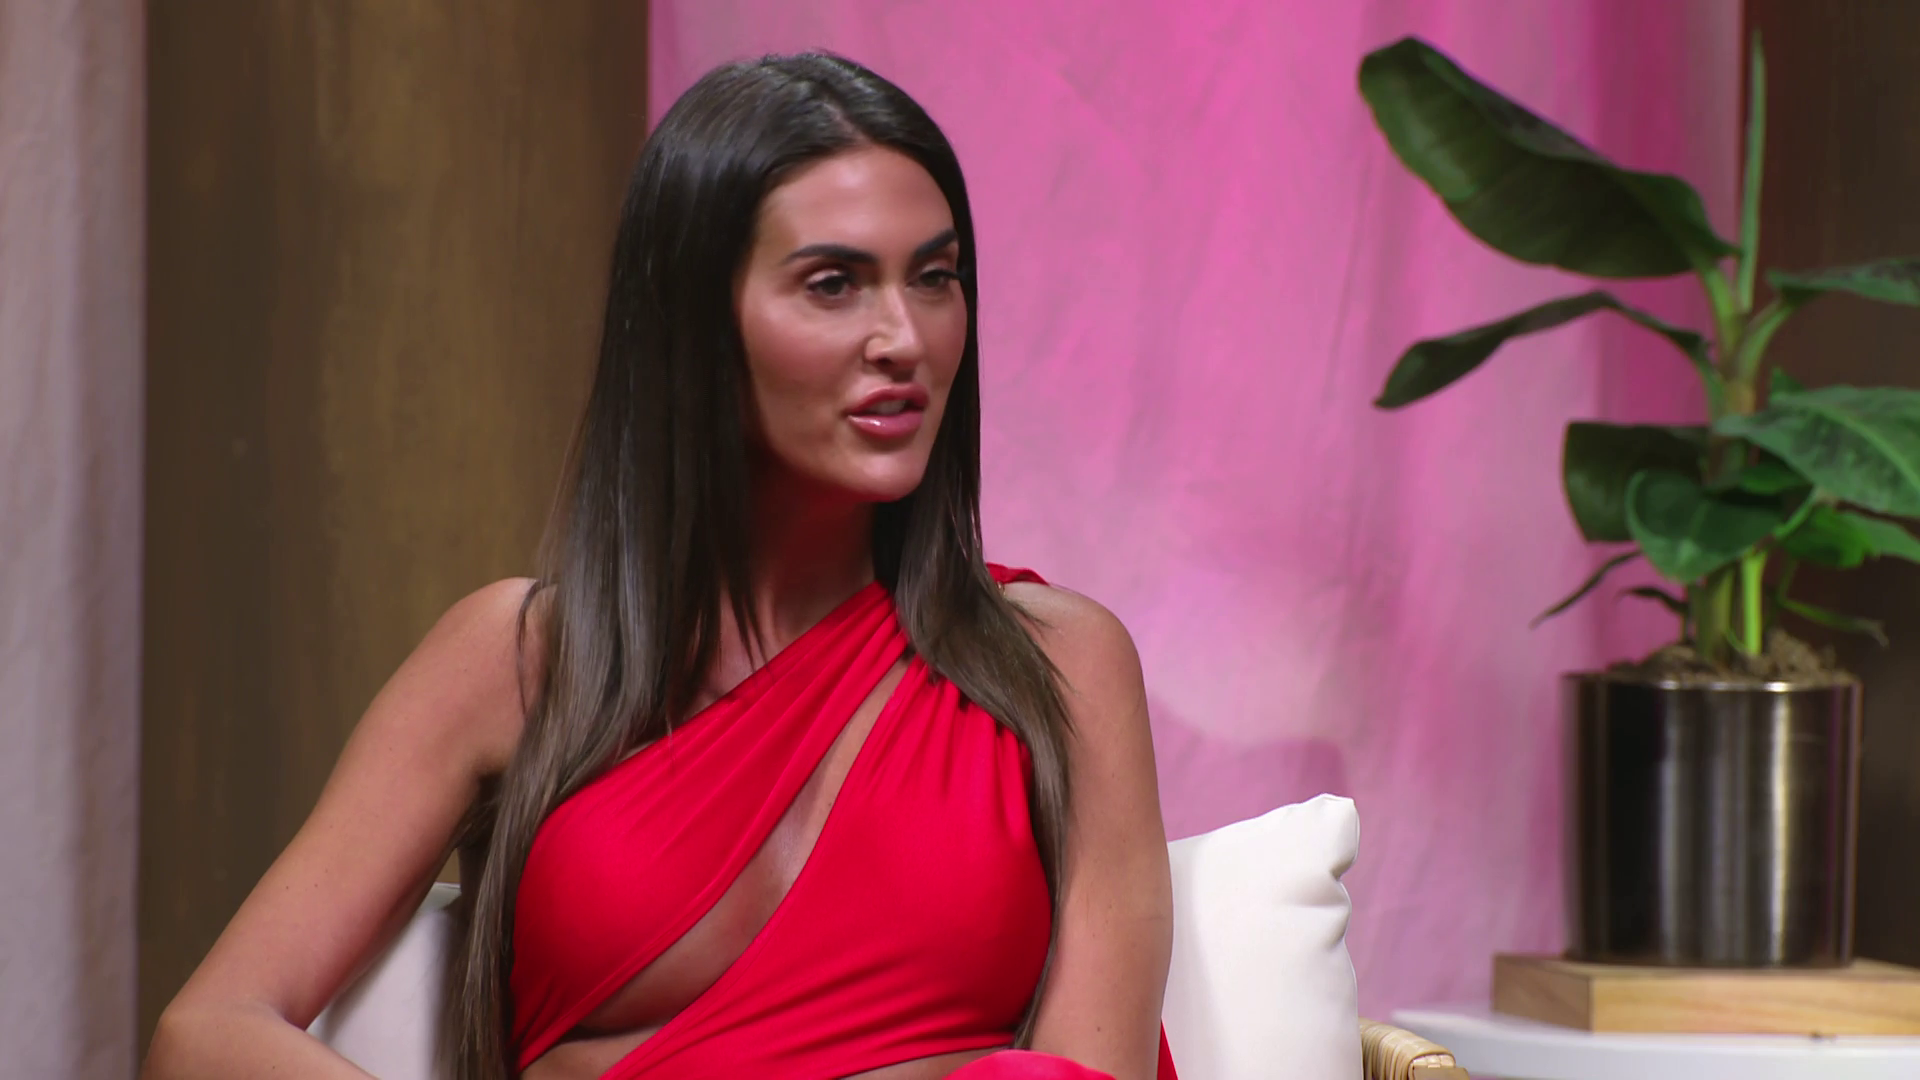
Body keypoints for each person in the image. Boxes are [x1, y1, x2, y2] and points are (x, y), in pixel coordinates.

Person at [142, 52, 1176, 1080]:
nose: (904, 338)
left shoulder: (1061, 666)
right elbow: (206, 1034)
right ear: (694, 322)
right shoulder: (520, 661)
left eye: (935, 278)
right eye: (833, 284)